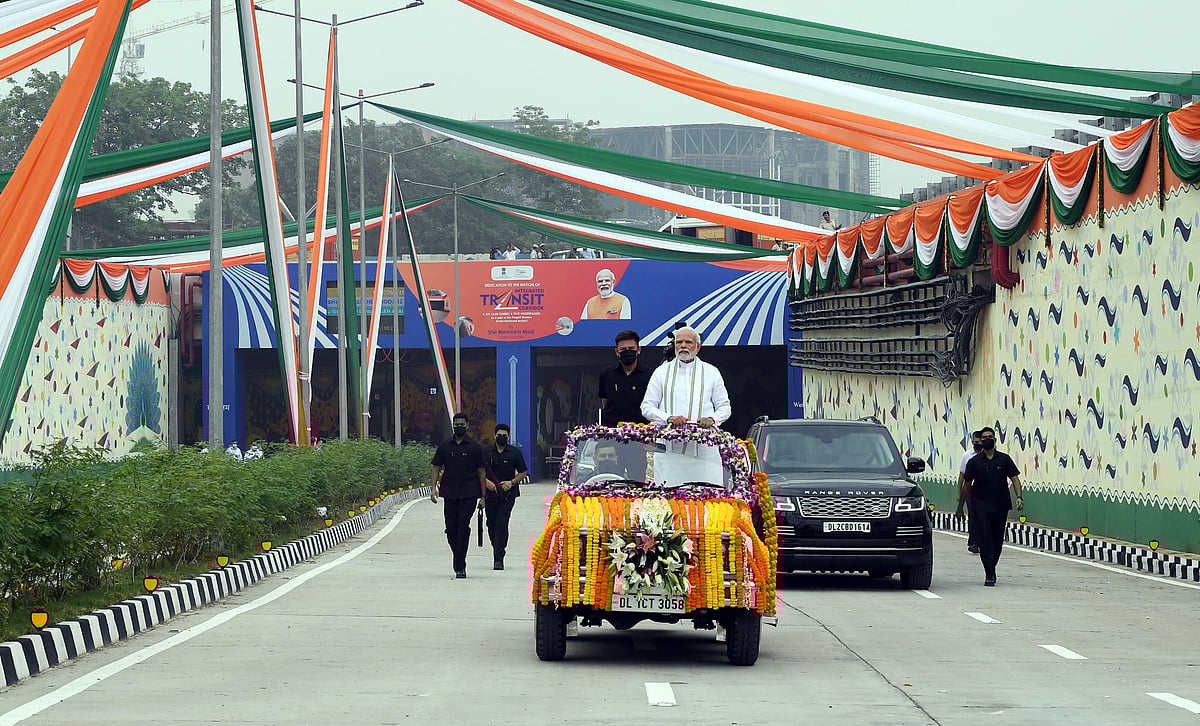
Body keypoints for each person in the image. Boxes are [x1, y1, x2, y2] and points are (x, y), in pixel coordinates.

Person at [962, 427, 1024, 586]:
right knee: (985, 538)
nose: (987, 439)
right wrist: (960, 506)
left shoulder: (1004, 459)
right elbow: (967, 484)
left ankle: (992, 566)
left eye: (990, 436)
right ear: (981, 440)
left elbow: (1015, 479)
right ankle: (989, 573)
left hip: (1000, 505)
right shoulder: (974, 462)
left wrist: (1019, 497)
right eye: (984, 437)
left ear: (995, 439)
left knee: (997, 540)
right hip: (981, 505)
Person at [430, 412, 487, 579]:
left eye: (462, 424)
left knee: (462, 527)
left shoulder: (475, 447)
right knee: (450, 530)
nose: (459, 427)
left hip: (469, 494)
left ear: (467, 425)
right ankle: (459, 555)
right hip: (449, 493)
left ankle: (460, 566)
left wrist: (483, 496)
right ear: (453, 426)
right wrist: (433, 488)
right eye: (456, 424)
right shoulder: (445, 446)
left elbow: (481, 472)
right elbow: (436, 467)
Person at [640, 326, 731, 429]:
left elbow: (724, 407)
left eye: (688, 342)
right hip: (668, 441)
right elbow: (647, 407)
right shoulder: (661, 372)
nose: (683, 345)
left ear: (698, 347)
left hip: (704, 440)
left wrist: (713, 419)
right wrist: (668, 418)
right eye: (679, 342)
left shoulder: (711, 372)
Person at [483, 423, 528, 571]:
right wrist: (486, 483)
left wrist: (512, 482)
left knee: (502, 524)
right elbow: (478, 471)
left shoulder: (514, 453)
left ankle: (499, 558)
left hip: (508, 495)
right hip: (490, 494)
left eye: (504, 435)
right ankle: (496, 547)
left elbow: (523, 473)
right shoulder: (486, 452)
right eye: (499, 435)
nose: (501, 437)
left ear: (508, 437)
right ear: (494, 436)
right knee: (491, 524)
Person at [955, 430, 984, 554]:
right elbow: (961, 476)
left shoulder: (988, 454)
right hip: (970, 490)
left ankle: (983, 542)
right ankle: (973, 543)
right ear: (972, 441)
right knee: (973, 515)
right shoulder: (967, 456)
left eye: (979, 441)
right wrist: (959, 494)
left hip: (984, 489)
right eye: (975, 441)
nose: (977, 443)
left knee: (983, 516)